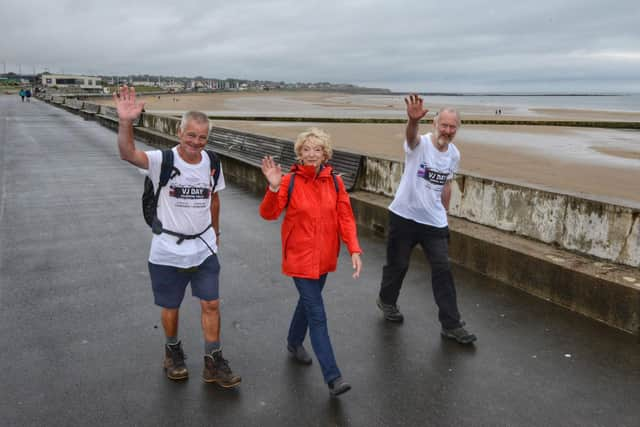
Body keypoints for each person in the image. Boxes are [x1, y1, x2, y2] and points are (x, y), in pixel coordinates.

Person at [114, 85, 241, 387]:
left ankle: (213, 360)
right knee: (171, 306)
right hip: (167, 248)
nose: (196, 142)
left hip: (204, 246)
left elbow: (214, 199)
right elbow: (128, 153)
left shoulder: (212, 162)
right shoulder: (163, 160)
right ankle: (172, 350)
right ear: (179, 132)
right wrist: (125, 122)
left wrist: (216, 232)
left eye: (202, 137)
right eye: (191, 135)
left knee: (211, 304)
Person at [259, 128, 363, 397]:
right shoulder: (289, 181)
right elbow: (268, 214)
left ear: (325, 153)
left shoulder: (335, 183)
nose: (312, 154)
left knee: (307, 303)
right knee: (317, 314)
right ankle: (333, 376)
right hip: (300, 258)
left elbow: (345, 218)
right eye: (306, 149)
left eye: (317, 149)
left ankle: (294, 343)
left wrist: (354, 249)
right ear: (299, 153)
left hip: (326, 257)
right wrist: (272, 186)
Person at [376, 94, 477, 345]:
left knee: (443, 270)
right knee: (397, 265)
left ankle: (451, 324)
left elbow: (446, 184)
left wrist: (445, 213)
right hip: (404, 216)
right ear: (434, 123)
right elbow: (410, 137)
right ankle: (387, 301)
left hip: (434, 222)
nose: (448, 130)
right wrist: (411, 121)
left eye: (453, 127)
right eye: (444, 125)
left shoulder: (454, 154)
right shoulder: (419, 144)